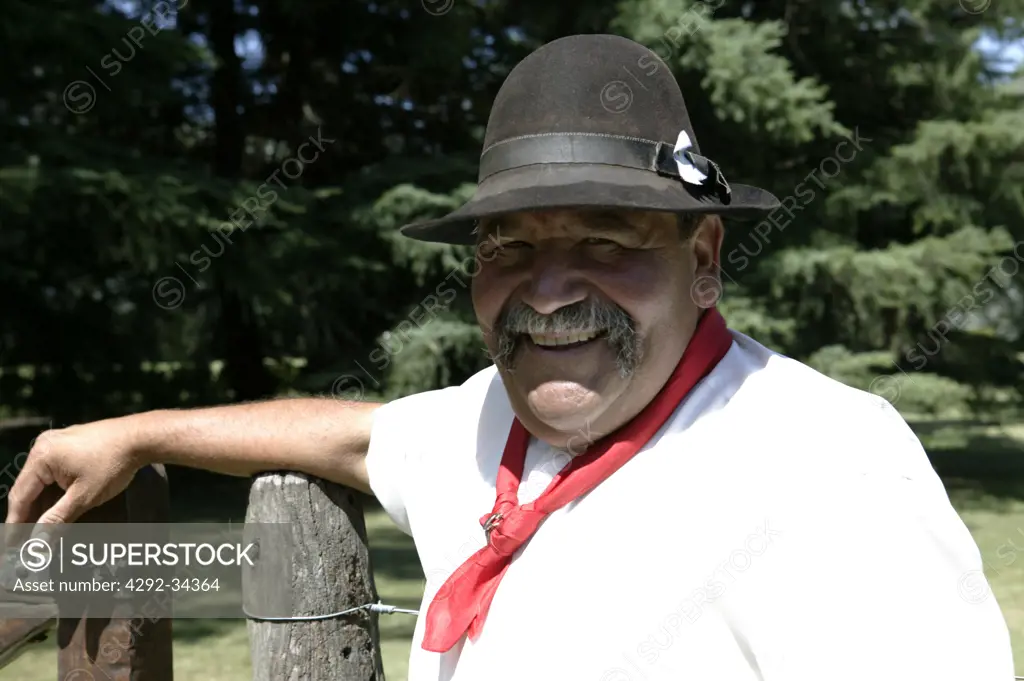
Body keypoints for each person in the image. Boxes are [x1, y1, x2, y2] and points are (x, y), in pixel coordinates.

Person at [6, 34, 1015, 681]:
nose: (546, 290)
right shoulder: (488, 420)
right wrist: (135, 434)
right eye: (510, 248)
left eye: (607, 244)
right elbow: (357, 435)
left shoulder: (828, 461)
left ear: (702, 258)